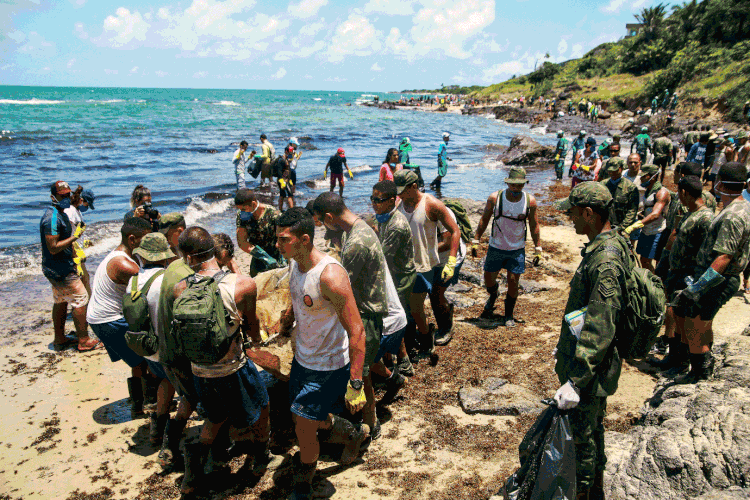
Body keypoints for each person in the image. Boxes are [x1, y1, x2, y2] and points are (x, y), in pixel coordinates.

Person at [174, 226, 280, 495]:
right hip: (233, 368)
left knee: (214, 416)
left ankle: (194, 466)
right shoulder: (242, 284)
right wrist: (257, 343)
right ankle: (259, 457)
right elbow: (253, 329)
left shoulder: (179, 289)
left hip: (200, 370)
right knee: (263, 406)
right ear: (216, 250)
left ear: (187, 257)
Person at [274, 208, 368, 500]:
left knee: (302, 426)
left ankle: (305, 482)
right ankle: (352, 433)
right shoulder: (295, 264)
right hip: (303, 358)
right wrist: (288, 318)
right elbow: (298, 296)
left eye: (283, 240)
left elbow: (357, 330)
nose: (277, 245)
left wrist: (355, 383)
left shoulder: (330, 276)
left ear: (304, 239)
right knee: (304, 419)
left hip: (328, 364)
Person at [553, 181, 631, 500]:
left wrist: (575, 380)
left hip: (590, 373)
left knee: (582, 440)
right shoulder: (604, 245)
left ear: (588, 213)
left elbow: (600, 325)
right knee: (592, 430)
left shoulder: (606, 259)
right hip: (590, 367)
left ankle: (586, 493)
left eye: (573, 213)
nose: (570, 218)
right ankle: (596, 490)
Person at [311, 193, 388, 438]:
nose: (325, 227)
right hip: (370, 306)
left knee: (361, 371)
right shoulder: (359, 228)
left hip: (366, 313)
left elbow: (345, 285)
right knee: (366, 366)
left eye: (323, 222)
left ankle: (370, 422)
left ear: (330, 217)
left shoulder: (356, 243)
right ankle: (388, 383)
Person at [672, 162, 750, 383]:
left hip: (718, 280)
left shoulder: (732, 215)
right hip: (720, 278)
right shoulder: (740, 208)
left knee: (696, 326)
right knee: (703, 324)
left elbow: (723, 257)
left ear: (719, 183)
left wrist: (696, 288)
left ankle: (699, 374)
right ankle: (703, 367)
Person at [87, 217, 155, 418]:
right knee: (147, 357)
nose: (149, 244)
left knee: (138, 361)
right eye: (146, 239)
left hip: (99, 317)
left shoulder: (117, 256)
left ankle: (139, 402)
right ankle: (146, 403)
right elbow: (151, 287)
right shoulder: (125, 265)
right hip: (109, 319)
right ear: (132, 239)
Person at [395, 170, 460, 355]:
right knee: (409, 306)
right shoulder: (400, 203)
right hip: (410, 263)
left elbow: (454, 233)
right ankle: (418, 336)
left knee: (433, 297)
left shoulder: (432, 205)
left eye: (402, 190)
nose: (398, 194)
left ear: (414, 186)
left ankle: (439, 331)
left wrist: (452, 261)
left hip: (436, 260)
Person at [652, 175, 713, 373]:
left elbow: (708, 252)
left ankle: (681, 363)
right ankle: (673, 358)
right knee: (677, 317)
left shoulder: (705, 218)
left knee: (686, 321)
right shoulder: (690, 213)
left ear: (685, 193)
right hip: (677, 272)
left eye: (679, 193)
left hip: (689, 275)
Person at [124, 232, 177, 445]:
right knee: (180, 384)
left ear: (142, 257)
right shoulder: (167, 280)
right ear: (164, 257)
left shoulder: (133, 281)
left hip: (147, 346)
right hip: (167, 348)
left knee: (163, 380)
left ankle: (157, 422)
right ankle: (167, 428)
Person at [474, 167, 541, 326]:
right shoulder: (495, 198)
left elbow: (534, 225)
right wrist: (476, 239)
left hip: (516, 249)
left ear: (524, 184)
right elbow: (484, 220)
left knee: (513, 282)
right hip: (496, 247)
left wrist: (538, 248)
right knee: (488, 281)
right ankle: (493, 294)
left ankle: (508, 315)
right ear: (508, 183)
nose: (516, 189)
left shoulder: (529, 201)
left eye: (520, 185)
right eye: (513, 185)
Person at [41, 181, 101, 352]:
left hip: (57, 267)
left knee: (60, 300)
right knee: (81, 299)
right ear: (53, 197)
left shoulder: (60, 214)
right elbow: (53, 247)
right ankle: (83, 340)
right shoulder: (51, 217)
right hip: (60, 268)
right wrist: (75, 237)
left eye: (68, 195)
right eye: (62, 196)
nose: (66, 198)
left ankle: (59, 339)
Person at [371, 180, 416, 376]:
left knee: (393, 319)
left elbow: (382, 258)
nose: (374, 203)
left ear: (391, 201)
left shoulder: (396, 225)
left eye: (378, 200)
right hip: (390, 272)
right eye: (372, 199)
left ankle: (403, 360)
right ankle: (390, 359)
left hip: (400, 276)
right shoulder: (383, 217)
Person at [430, 206, 466, 344]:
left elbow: (448, 242)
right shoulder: (406, 209)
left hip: (450, 257)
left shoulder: (438, 211)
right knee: (429, 293)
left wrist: (424, 250)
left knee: (436, 293)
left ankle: (446, 328)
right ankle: (445, 317)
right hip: (432, 257)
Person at [624, 164, 670, 272]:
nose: (641, 178)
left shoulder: (661, 192)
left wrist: (635, 226)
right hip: (646, 230)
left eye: (644, 176)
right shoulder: (649, 190)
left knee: (648, 261)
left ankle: (654, 283)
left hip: (656, 231)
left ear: (653, 177)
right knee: (643, 260)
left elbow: (655, 214)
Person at [234, 189, 283, 277]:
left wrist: (283, 259)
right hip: (257, 254)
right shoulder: (242, 216)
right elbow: (242, 242)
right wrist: (264, 257)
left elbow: (284, 237)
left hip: (276, 253)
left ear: (253, 204)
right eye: (240, 209)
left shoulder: (273, 214)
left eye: (244, 209)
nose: (241, 212)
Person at [64, 186, 95, 296]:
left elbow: (76, 232)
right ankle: (84, 303)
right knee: (80, 277)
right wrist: (73, 251)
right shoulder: (70, 211)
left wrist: (86, 242)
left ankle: (89, 301)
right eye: (87, 204)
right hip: (70, 247)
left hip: (75, 245)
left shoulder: (77, 211)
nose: (86, 207)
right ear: (82, 200)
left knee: (85, 276)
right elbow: (66, 233)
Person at [600, 158, 639, 229]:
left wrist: (622, 227)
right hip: (603, 226)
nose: (612, 173)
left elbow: (632, 210)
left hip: (621, 227)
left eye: (615, 171)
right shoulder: (602, 185)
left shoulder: (630, 187)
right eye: (610, 171)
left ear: (621, 168)